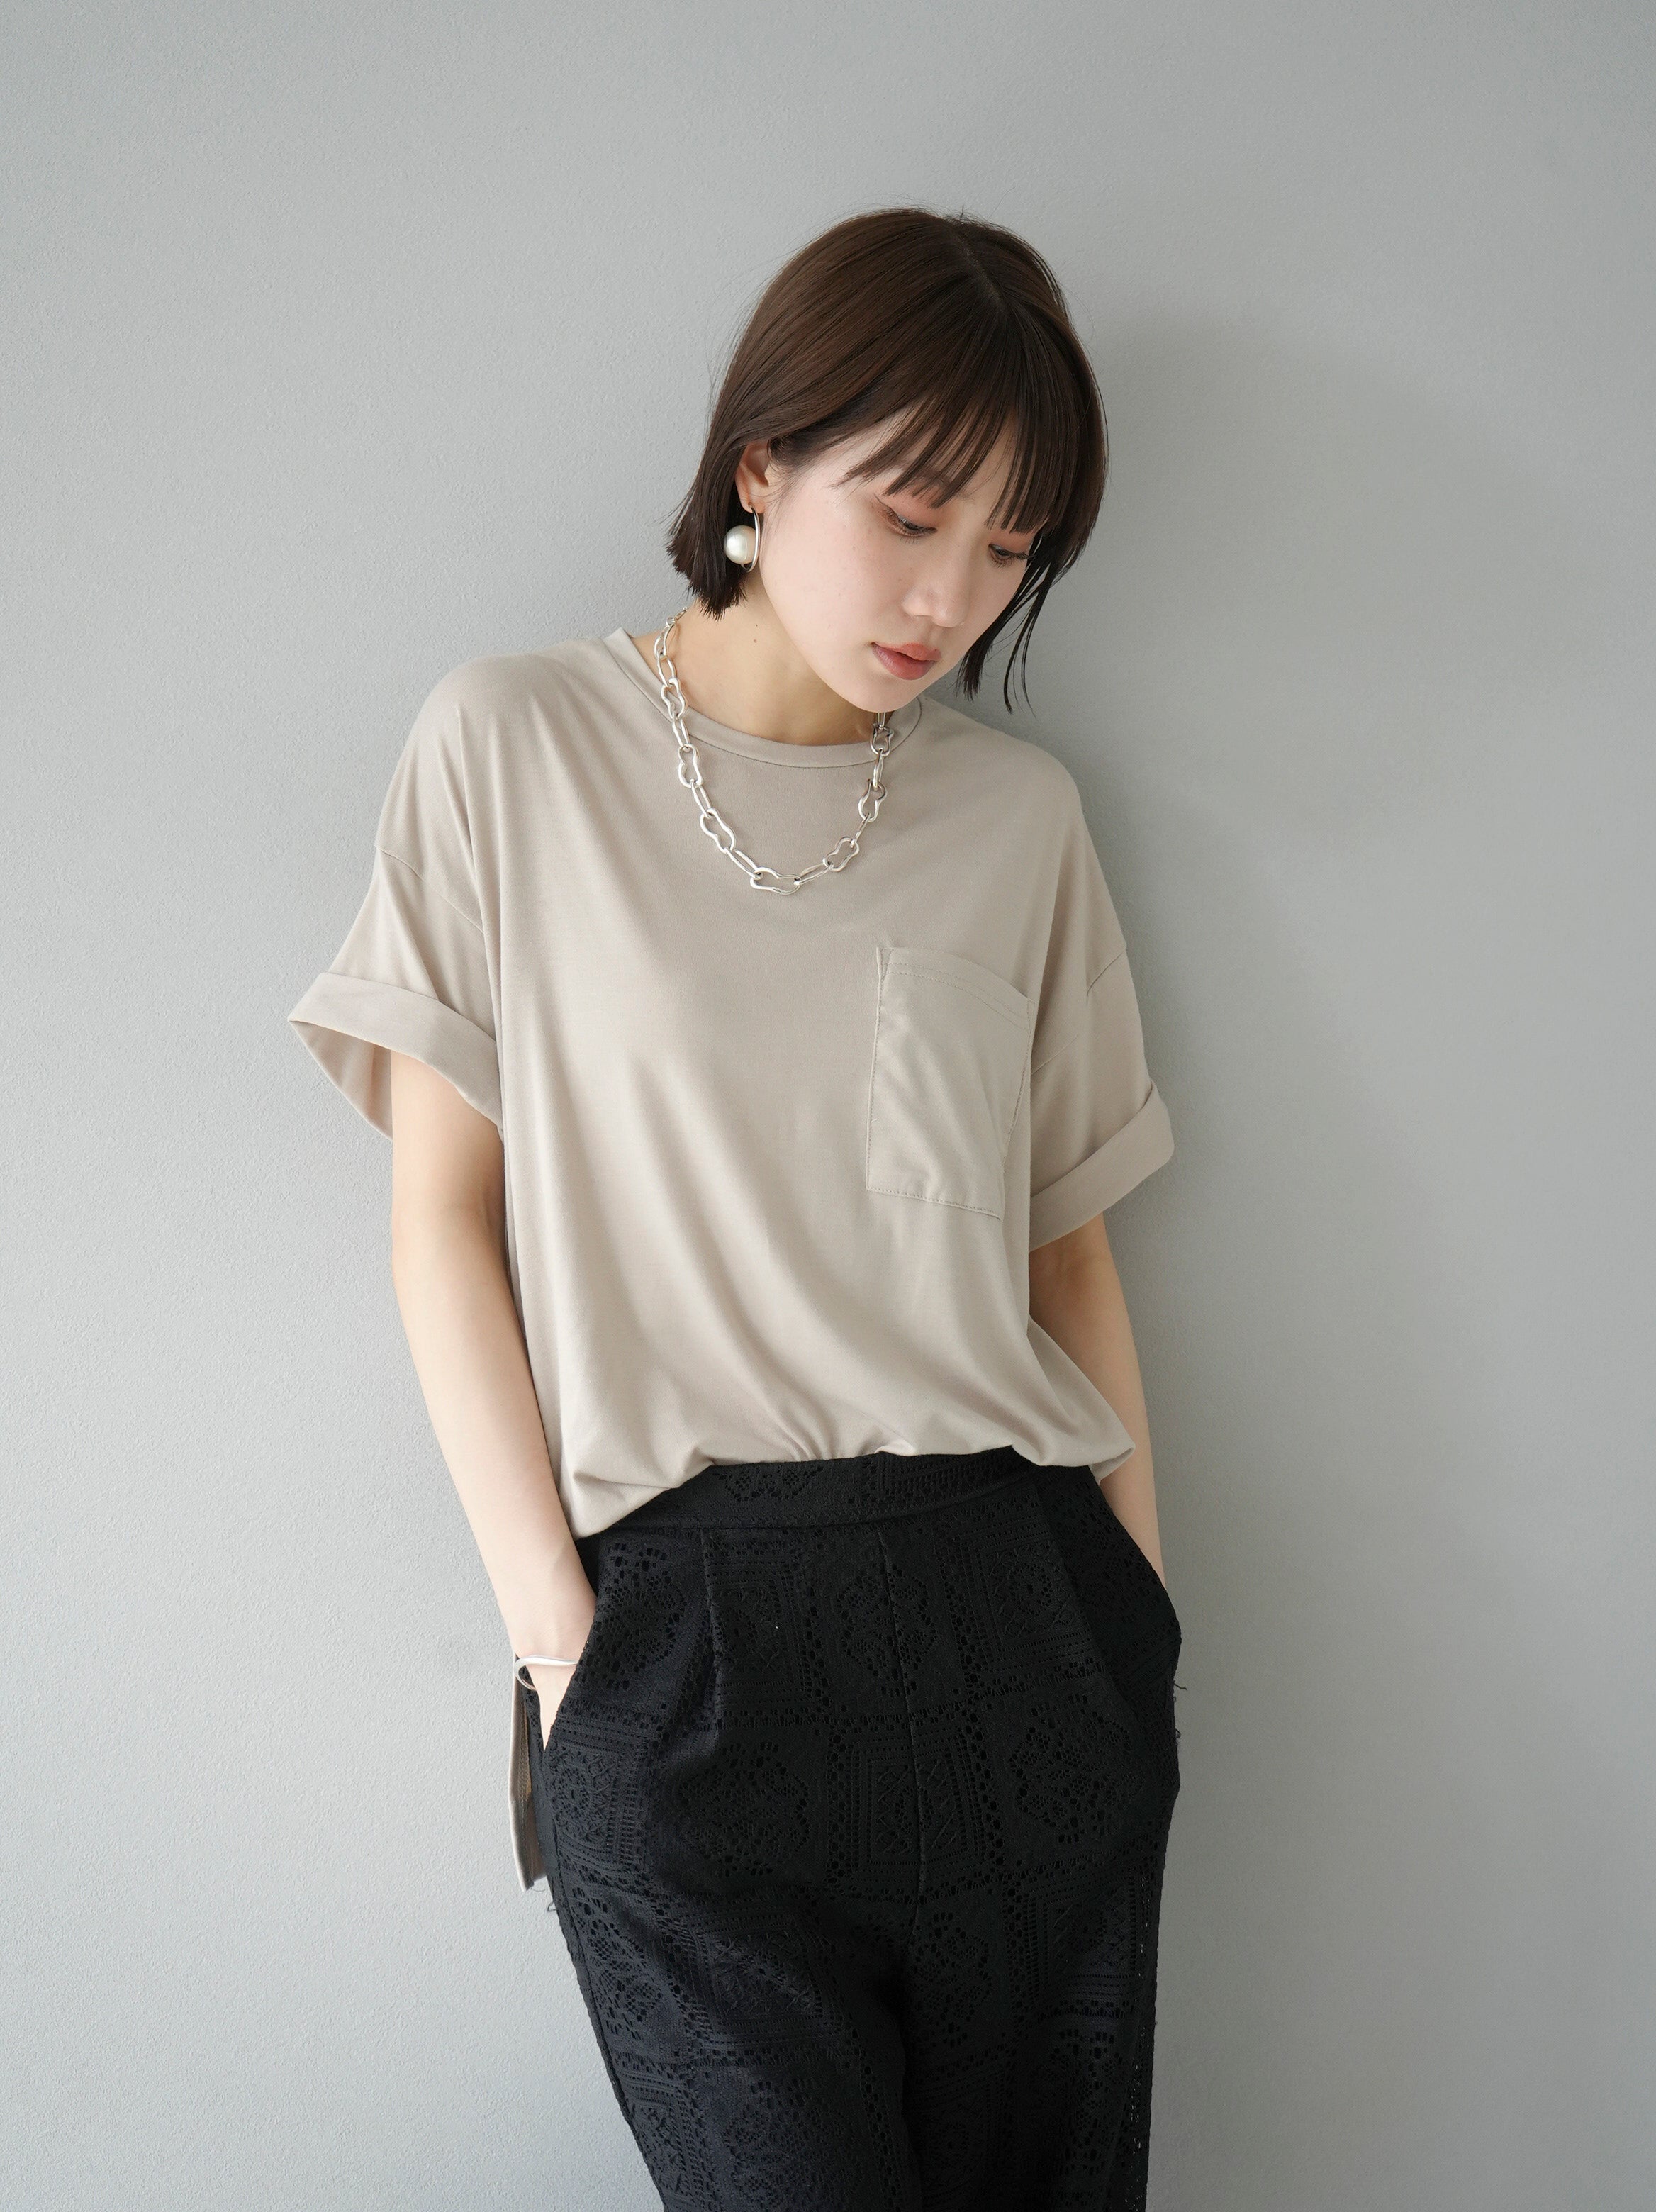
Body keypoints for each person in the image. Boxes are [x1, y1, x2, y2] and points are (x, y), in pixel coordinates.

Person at [288, 204, 1184, 2211]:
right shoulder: (511, 746)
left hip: (1017, 1622)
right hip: (679, 1641)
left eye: (1012, 546)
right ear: (761, 467)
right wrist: (565, 1655)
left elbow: (1068, 1251)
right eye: (913, 512)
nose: (950, 596)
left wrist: (1140, 1631)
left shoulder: (1020, 820)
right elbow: (443, 1228)